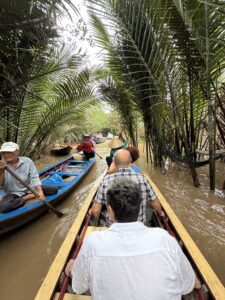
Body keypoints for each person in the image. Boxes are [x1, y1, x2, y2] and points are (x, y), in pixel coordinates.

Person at [65, 178, 201, 299]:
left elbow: (78, 287)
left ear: (110, 211)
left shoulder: (93, 242)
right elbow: (187, 285)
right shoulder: (164, 238)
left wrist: (72, 268)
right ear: (138, 208)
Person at [91, 149, 164, 225]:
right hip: (138, 225)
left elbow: (95, 211)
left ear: (114, 162)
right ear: (130, 161)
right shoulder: (142, 178)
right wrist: (161, 214)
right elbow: (155, 204)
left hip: (113, 226)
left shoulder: (105, 180)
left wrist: (91, 213)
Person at [0, 142, 45, 212]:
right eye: (3, 152)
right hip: (13, 193)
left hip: (30, 188)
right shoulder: (1, 165)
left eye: (9, 152)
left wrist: (40, 191)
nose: (6, 155)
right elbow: (1, 186)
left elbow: (34, 177)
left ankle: (33, 193)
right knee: (4, 207)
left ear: (17, 152)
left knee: (53, 189)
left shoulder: (27, 161)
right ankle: (29, 196)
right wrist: (2, 171)